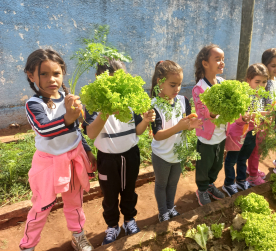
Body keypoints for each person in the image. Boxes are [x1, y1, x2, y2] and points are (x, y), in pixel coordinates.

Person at [20, 49, 96, 251]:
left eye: (56, 73)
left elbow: (77, 132)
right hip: (48, 165)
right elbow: (44, 129)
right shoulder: (33, 104)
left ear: (63, 73)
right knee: (41, 207)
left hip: (73, 160)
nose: (51, 79)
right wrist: (68, 118)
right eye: (43, 74)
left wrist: (87, 150)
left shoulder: (67, 97)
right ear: (31, 75)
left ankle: (78, 236)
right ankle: (28, 245)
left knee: (75, 203)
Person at [83, 59, 155, 245]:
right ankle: (113, 226)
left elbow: (137, 130)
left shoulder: (130, 100)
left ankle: (129, 220)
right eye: (111, 80)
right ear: (100, 79)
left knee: (129, 190)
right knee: (110, 195)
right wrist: (105, 112)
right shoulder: (95, 103)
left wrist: (146, 120)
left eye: (120, 79)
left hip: (130, 155)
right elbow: (91, 133)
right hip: (107, 158)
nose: (117, 85)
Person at [150, 60, 202, 222]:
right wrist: (179, 126)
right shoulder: (154, 105)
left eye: (179, 84)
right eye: (173, 85)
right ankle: (162, 212)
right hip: (162, 155)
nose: (177, 89)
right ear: (160, 82)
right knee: (161, 184)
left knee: (173, 184)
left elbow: (186, 124)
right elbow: (157, 135)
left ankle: (170, 207)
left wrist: (190, 125)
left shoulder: (183, 101)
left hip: (178, 153)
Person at [222, 63, 269, 196]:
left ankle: (241, 179)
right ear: (248, 80)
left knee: (243, 158)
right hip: (238, 134)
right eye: (257, 82)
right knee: (231, 160)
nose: (261, 85)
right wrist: (257, 115)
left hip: (252, 133)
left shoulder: (261, 96)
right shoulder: (243, 96)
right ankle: (229, 183)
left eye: (264, 82)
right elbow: (238, 117)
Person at [192, 44, 227, 206]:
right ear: (205, 64)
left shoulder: (222, 82)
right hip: (207, 135)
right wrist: (214, 112)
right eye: (217, 59)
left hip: (221, 134)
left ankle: (210, 184)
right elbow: (203, 111)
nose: (222, 63)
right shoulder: (200, 88)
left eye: (223, 59)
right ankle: (201, 189)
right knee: (204, 165)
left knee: (218, 163)